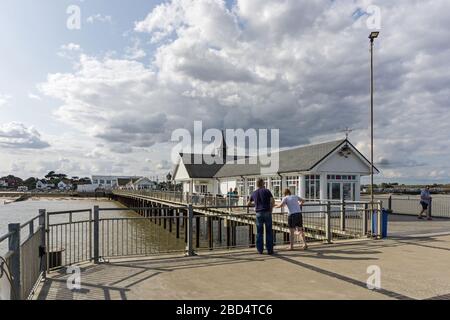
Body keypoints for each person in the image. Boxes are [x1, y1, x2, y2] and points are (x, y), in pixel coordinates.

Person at [247, 178, 275, 254]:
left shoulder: (254, 193)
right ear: (262, 183)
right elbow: (272, 201)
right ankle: (270, 250)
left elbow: (248, 204)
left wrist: (255, 204)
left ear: (256, 184)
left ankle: (260, 250)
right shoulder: (267, 191)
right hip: (267, 212)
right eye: (264, 183)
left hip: (258, 213)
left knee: (259, 232)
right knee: (269, 231)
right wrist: (271, 209)